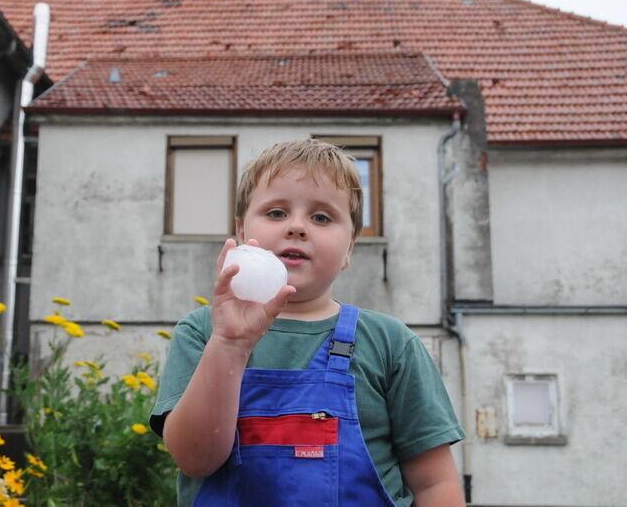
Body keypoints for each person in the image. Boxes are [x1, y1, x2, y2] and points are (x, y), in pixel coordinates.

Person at [150, 139, 466, 507]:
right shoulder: (203, 333)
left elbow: (434, 483)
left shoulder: (391, 343)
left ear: (350, 247)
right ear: (240, 229)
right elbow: (195, 460)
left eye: (321, 217)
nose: (297, 227)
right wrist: (229, 345)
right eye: (276, 213)